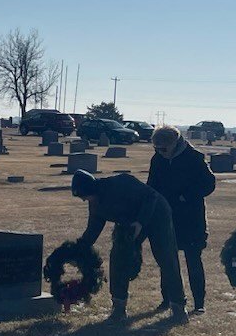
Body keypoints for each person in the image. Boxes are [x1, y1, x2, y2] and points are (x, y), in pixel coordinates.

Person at [70, 170, 186, 323]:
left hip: (157, 214)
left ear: (92, 189)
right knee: (118, 259)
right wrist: (79, 249)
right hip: (129, 223)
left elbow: (151, 196)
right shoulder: (96, 204)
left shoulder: (121, 182)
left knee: (166, 257)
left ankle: (178, 307)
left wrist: (140, 222)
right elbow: (93, 229)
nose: (84, 200)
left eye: (84, 196)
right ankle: (118, 307)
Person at [147, 126, 217, 314]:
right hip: (166, 217)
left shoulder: (194, 158)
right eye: (157, 148)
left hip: (191, 217)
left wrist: (186, 196)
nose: (160, 152)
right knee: (167, 260)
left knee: (193, 259)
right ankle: (168, 299)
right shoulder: (158, 160)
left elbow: (209, 184)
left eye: (163, 148)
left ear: (174, 143)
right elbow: (152, 186)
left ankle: (199, 303)